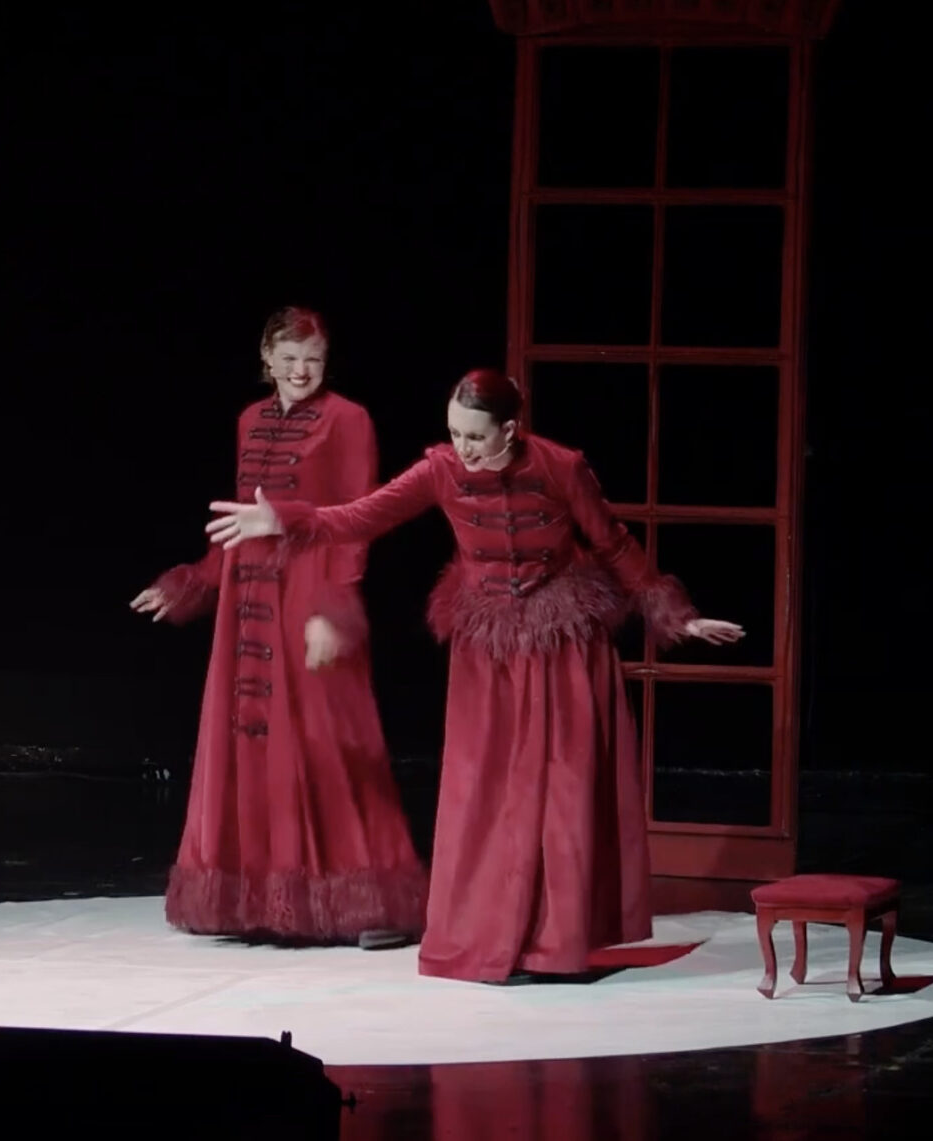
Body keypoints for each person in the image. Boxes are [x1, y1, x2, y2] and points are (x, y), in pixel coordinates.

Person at [204, 369, 743, 983]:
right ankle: (489, 932)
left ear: (510, 429)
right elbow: (361, 517)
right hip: (488, 653)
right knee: (486, 794)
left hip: (560, 645)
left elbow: (614, 544)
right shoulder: (440, 469)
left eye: (476, 437)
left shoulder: (561, 466)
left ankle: (555, 943)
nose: (463, 447)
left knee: (562, 792)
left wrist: (675, 614)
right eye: (455, 433)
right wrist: (284, 519)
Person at [131, 306, 427, 949]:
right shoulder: (249, 419)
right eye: (289, 359)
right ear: (266, 358)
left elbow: (358, 519)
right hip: (249, 597)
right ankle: (262, 899)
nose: (300, 371)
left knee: (328, 737)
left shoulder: (349, 419)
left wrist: (334, 606)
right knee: (254, 744)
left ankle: (370, 900)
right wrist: (196, 579)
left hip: (310, 586)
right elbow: (242, 520)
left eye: (313, 360)